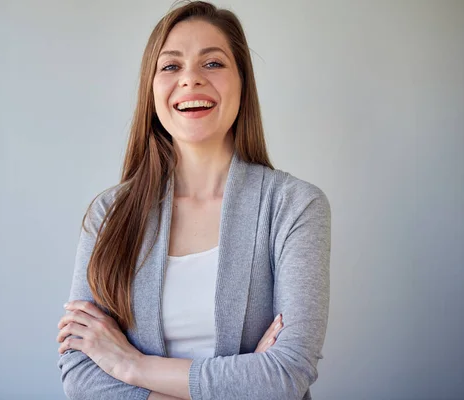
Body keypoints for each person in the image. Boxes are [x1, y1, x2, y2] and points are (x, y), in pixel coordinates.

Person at [56, 1, 331, 399]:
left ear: (243, 82)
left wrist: (131, 364)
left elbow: (286, 375)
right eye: (170, 66)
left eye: (213, 64)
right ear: (151, 89)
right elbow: (80, 371)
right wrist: (243, 381)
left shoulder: (295, 206)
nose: (190, 80)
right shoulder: (109, 213)